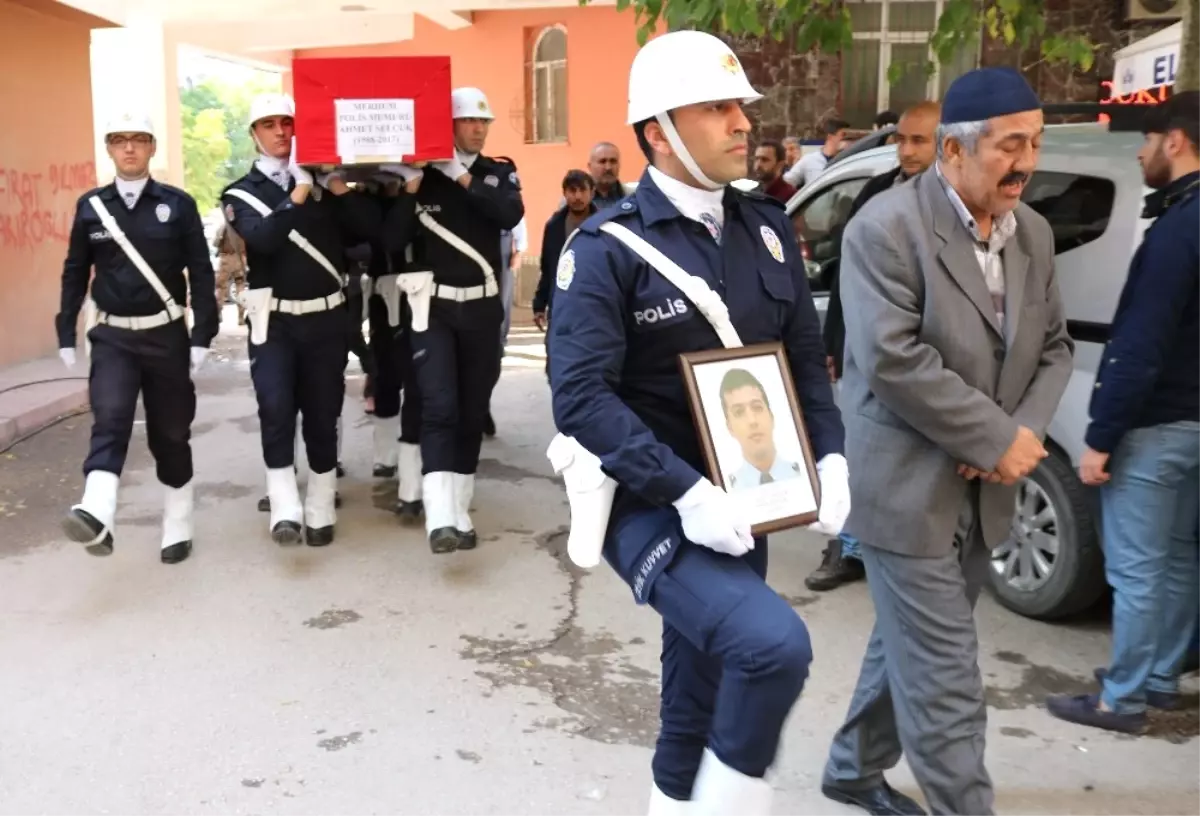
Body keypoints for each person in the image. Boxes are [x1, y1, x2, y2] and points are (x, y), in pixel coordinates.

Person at [548, 30, 848, 814]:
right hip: (652, 504)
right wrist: (685, 493)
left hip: (750, 499)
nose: (744, 122)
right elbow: (579, 396)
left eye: (741, 105)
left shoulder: (768, 229)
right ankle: (730, 801)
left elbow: (802, 362)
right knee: (770, 647)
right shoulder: (607, 246)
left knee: (698, 690)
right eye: (717, 108)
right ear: (660, 131)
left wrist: (834, 458)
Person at [821, 67, 1073, 816]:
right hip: (905, 487)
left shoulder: (1033, 232)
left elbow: (1053, 347)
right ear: (954, 154)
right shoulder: (885, 228)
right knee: (946, 677)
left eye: (1035, 141)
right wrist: (993, 435)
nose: (1025, 161)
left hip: (982, 486)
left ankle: (851, 767)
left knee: (910, 645)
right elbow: (893, 358)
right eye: (1008, 145)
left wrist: (1016, 433)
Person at [1046, 91, 1200, 734]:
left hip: (1157, 423)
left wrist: (1101, 437)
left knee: (1136, 566)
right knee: (1179, 553)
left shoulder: (1177, 228)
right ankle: (1161, 679)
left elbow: (1139, 343)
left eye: (1146, 140)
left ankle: (1124, 699)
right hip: (1194, 424)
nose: (1139, 152)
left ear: (1175, 141)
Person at [55, 112, 218, 565]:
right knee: (110, 419)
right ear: (109, 148)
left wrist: (204, 331)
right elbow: (74, 269)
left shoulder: (177, 204)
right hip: (112, 336)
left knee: (170, 433)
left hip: (166, 335)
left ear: (151, 148)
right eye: (119, 140)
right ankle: (97, 511)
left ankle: (179, 520)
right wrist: (66, 327)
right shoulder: (91, 206)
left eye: (139, 140)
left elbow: (201, 272)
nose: (129, 148)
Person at [221, 93, 380, 547]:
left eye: (287, 122)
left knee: (323, 411)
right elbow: (264, 240)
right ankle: (285, 504)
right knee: (274, 407)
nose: (280, 132)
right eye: (268, 124)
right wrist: (298, 190)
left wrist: (335, 187)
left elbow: (369, 231)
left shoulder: (327, 183)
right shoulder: (241, 192)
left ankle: (322, 502)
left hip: (327, 319)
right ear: (254, 134)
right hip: (274, 322)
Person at [379, 87, 524, 554]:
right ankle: (439, 516)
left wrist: (461, 176)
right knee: (438, 404)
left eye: (484, 122)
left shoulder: (495, 174)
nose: (479, 129)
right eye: (469, 122)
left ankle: (459, 509)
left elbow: (509, 212)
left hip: (482, 308)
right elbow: (393, 237)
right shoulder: (424, 178)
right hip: (433, 308)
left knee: (470, 409)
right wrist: (415, 185)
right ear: (450, 125)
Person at [806, 100, 940, 594]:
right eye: (900, 140)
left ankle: (891, 548)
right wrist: (833, 341)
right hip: (865, 349)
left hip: (925, 356)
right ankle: (849, 548)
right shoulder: (878, 190)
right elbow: (846, 271)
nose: (905, 150)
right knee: (856, 449)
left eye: (918, 141)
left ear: (946, 142)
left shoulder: (953, 202)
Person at [532, 169, 597, 375]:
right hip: (561, 304)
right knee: (556, 364)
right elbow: (547, 267)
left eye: (582, 190)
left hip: (596, 303)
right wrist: (539, 304)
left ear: (591, 193)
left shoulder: (604, 223)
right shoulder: (554, 226)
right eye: (572, 190)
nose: (577, 196)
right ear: (565, 193)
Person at [718, 368, 803, 490]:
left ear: (771, 417)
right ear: (730, 428)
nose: (752, 421)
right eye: (739, 412)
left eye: (757, 408)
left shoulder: (803, 477)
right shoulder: (729, 490)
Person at [783, 118, 848, 188]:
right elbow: (786, 183)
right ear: (830, 137)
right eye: (843, 135)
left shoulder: (849, 161)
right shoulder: (809, 160)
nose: (847, 140)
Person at [212, 219, 247, 325]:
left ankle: (218, 312)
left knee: (221, 287)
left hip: (226, 259)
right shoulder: (242, 228)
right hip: (239, 259)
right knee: (240, 287)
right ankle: (241, 317)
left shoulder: (224, 227)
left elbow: (215, 243)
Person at [751, 139, 796, 203]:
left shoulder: (790, 196)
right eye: (756, 159)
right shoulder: (751, 192)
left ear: (780, 165)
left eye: (764, 160)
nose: (758, 165)